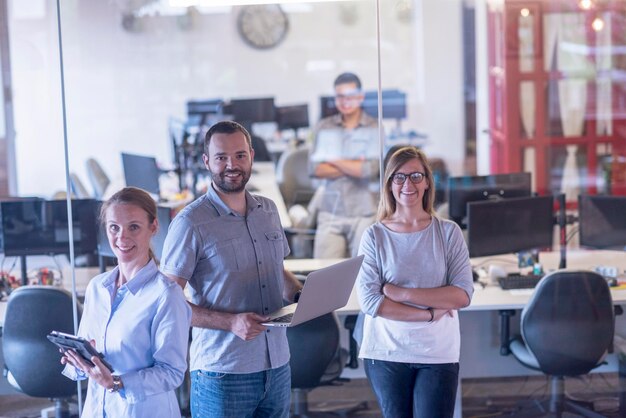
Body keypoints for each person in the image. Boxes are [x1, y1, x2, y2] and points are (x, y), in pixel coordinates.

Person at [160, 120, 303, 418]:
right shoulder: (190, 223)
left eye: (239, 155)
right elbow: (167, 303)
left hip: (277, 364)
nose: (231, 165)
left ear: (251, 155)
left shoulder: (268, 209)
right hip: (223, 372)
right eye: (221, 157)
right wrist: (230, 322)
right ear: (206, 162)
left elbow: (277, 269)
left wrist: (302, 294)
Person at [356, 146, 474, 418]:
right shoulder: (374, 236)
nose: (407, 184)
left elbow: (462, 295)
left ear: (427, 182)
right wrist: (432, 313)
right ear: (389, 184)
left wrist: (402, 293)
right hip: (386, 352)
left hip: (437, 352)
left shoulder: (448, 232)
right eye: (399, 177)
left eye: (415, 176)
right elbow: (372, 302)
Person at [61, 187, 191, 418]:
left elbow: (172, 372)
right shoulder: (97, 288)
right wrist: (80, 362)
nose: (122, 237)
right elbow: (91, 357)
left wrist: (116, 383)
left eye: (133, 227)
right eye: (114, 227)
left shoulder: (166, 295)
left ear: (153, 227)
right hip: (96, 410)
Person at [309, 72, 380, 258]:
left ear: (361, 96)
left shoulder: (374, 128)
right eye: (340, 96)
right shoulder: (324, 127)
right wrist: (353, 164)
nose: (345, 100)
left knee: (363, 276)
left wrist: (331, 159)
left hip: (364, 212)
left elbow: (369, 170)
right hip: (331, 211)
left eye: (350, 95)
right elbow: (315, 169)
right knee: (324, 276)